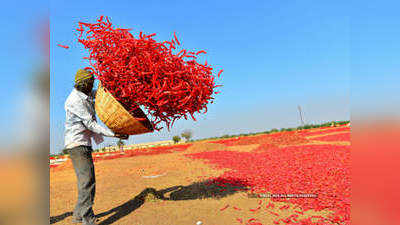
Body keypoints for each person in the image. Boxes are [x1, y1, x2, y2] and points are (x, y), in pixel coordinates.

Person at [64, 69, 128, 225]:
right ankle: (87, 219)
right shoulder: (75, 101)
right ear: (84, 84)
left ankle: (78, 216)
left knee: (86, 181)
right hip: (77, 144)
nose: (92, 86)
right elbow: (91, 124)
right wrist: (113, 134)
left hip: (83, 143)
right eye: (91, 83)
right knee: (87, 181)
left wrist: (111, 82)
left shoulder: (83, 93)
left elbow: (98, 94)